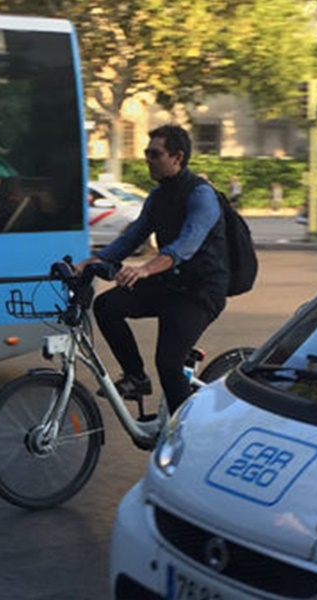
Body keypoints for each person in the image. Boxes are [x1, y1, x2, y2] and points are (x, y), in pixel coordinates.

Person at [75, 125, 229, 414]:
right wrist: (88, 262)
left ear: (177, 157)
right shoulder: (158, 198)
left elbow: (186, 245)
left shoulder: (201, 195)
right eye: (147, 153)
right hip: (170, 283)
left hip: (200, 291)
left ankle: (184, 434)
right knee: (107, 306)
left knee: (168, 364)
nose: (147, 159)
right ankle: (135, 377)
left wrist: (145, 269)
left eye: (154, 154)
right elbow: (130, 238)